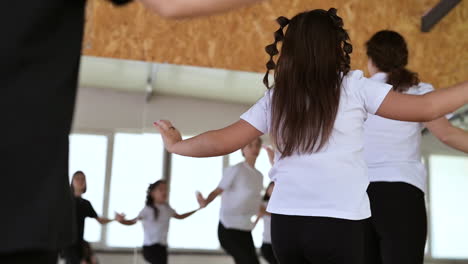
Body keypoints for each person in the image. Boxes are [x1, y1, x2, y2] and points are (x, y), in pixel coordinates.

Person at [153, 8, 468, 264]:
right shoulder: (353, 87)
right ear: (336, 47)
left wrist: (177, 145)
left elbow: (223, 139)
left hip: (287, 226)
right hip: (338, 224)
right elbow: (427, 107)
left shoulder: (280, 96)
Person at [0, 0, 268, 263]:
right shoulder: (231, 171)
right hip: (28, 209)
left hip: (28, 209)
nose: (254, 147)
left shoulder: (252, 176)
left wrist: (200, 205)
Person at [363, 30, 468, 264]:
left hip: (357, 196)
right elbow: (448, 134)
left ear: (371, 60)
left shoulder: (357, 92)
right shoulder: (418, 91)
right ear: (403, 58)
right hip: (402, 195)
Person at [196, 138, 264, 264]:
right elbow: (218, 190)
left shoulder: (259, 176)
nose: (254, 148)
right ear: (243, 149)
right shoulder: (236, 170)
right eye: (250, 145)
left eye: (257, 145)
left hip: (245, 229)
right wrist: (205, 201)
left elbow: (255, 202)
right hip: (228, 228)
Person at [115, 180, 201, 264]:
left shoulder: (167, 209)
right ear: (152, 193)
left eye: (166, 189)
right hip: (150, 248)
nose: (164, 192)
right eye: (161, 189)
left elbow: (181, 216)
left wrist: (198, 209)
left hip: (162, 249)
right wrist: (122, 221)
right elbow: (132, 221)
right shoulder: (147, 210)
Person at [62, 171, 114, 264]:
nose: (80, 181)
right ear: (72, 182)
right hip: (68, 244)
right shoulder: (66, 201)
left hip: (80, 243)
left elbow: (100, 220)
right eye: (77, 178)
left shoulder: (86, 204)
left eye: (83, 179)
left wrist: (115, 219)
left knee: (93, 261)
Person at [255, 182, 277, 264]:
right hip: (267, 243)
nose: (272, 190)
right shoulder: (263, 204)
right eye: (271, 188)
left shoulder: (282, 205)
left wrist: (265, 212)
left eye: (275, 188)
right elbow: (258, 216)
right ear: (267, 189)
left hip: (279, 243)